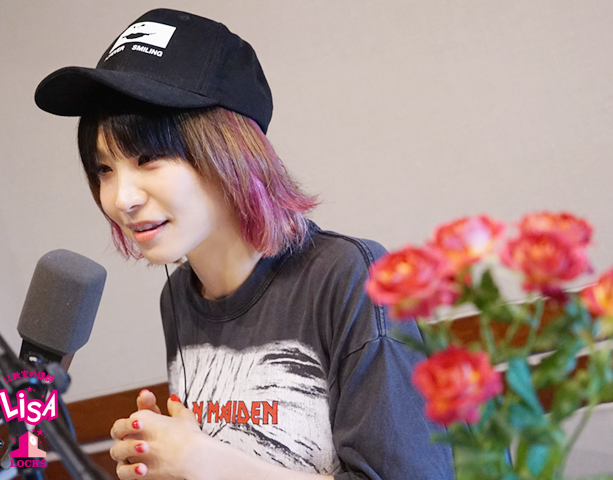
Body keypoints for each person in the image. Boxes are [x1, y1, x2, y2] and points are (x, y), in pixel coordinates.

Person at [35, 8, 454, 480]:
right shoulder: (178, 298)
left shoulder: (348, 276)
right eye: (104, 169)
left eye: (148, 158)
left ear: (228, 151)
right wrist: (165, 461)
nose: (121, 198)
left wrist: (201, 461)